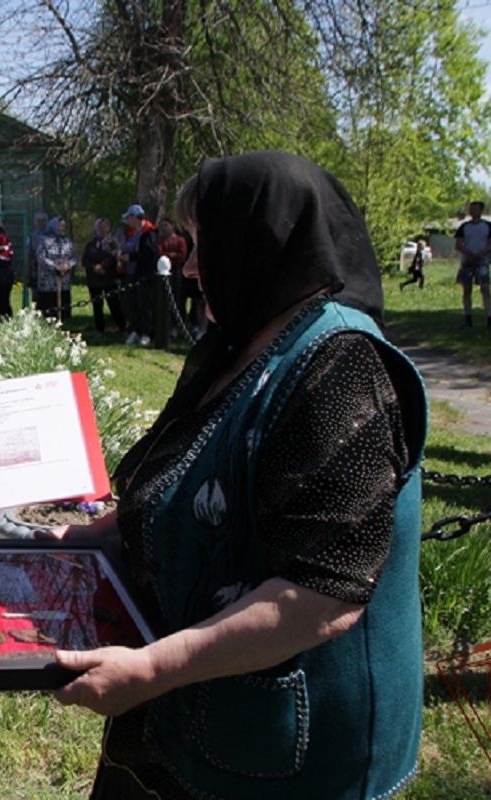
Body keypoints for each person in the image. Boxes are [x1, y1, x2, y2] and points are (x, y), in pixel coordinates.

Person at [47, 151, 428, 800]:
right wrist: (97, 536)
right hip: (197, 713)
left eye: (200, 243)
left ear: (260, 241)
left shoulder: (343, 367)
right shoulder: (249, 337)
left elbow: (318, 597)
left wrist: (147, 669)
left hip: (287, 750)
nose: (189, 265)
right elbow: (196, 471)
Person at [118, 204, 158, 346]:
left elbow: (149, 253)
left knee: (144, 304)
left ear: (135, 217)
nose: (127, 221)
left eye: (128, 217)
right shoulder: (133, 233)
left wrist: (131, 257)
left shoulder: (149, 232)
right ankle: (134, 330)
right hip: (132, 274)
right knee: (132, 303)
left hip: (145, 275)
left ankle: (146, 333)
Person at [455, 200, 491, 330]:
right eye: (471, 209)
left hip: (482, 262)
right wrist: (470, 254)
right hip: (467, 261)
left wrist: (481, 254)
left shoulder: (489, 226)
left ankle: (490, 318)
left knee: (485, 289)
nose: (473, 211)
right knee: (466, 289)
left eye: (476, 209)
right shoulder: (464, 227)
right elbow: (458, 244)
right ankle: (468, 319)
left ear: (481, 210)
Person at [82, 217, 125, 335]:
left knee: (114, 303)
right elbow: (85, 260)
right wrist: (94, 268)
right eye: (101, 227)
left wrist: (103, 267)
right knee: (97, 305)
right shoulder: (91, 244)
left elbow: (114, 256)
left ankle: (121, 326)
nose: (103, 229)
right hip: (94, 280)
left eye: (105, 227)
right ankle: (99, 329)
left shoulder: (113, 242)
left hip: (109, 279)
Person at [34, 216, 75, 321]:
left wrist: (67, 266)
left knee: (63, 310)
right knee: (49, 312)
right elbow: (41, 257)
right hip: (48, 283)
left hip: (63, 281)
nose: (62, 228)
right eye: (60, 226)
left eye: (64, 226)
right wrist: (55, 266)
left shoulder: (67, 241)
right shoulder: (44, 240)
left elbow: (74, 257)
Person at [158, 217, 189, 337]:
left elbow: (182, 255)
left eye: (166, 225)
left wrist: (172, 256)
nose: (163, 228)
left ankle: (179, 325)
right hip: (165, 272)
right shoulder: (161, 241)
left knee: (178, 297)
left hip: (177, 271)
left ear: (172, 226)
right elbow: (160, 253)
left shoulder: (180, 240)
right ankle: (168, 325)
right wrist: (170, 255)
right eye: (162, 226)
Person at [25, 211, 48, 294]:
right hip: (35, 270)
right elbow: (28, 255)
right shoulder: (31, 237)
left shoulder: (51, 236)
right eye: (38, 221)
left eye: (43, 220)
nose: (41, 223)